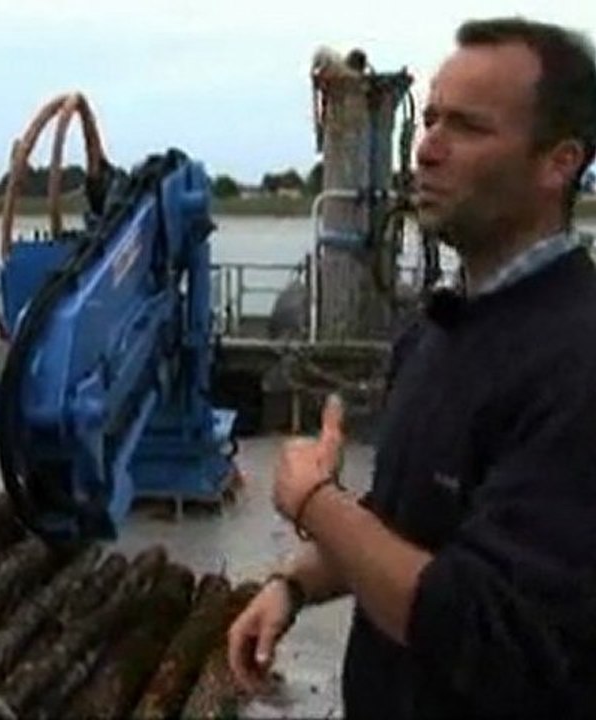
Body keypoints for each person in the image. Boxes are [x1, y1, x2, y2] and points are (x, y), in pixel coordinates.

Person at [228, 17, 596, 719]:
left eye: (468, 127)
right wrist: (295, 584)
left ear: (558, 162)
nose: (426, 149)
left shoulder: (577, 362)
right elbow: (405, 528)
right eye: (429, 119)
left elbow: (481, 630)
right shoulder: (433, 334)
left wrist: (314, 502)